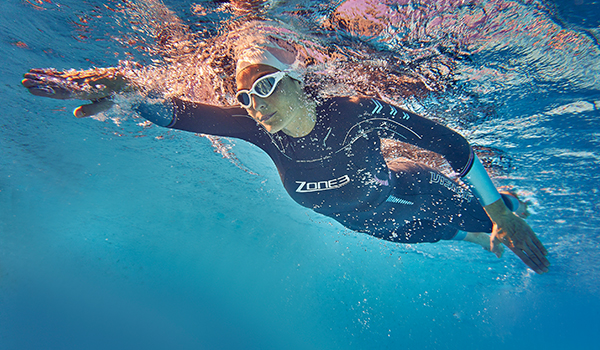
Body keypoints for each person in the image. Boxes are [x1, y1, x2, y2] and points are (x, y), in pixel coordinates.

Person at [21, 38, 550, 274]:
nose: (256, 105)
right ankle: (484, 237)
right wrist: (125, 89)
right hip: (362, 220)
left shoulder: (357, 112)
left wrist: (497, 212)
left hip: (399, 182)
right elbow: (176, 111)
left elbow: (450, 144)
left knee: (468, 205)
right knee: (439, 233)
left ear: (297, 79)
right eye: (246, 96)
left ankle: (505, 209)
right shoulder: (253, 126)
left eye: (267, 86)